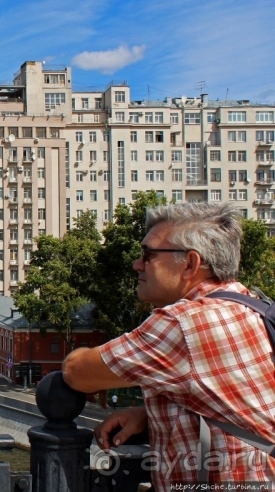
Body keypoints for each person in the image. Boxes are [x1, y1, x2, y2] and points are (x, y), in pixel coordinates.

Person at [62, 202, 275, 488]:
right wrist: (150, 416)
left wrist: (75, 354)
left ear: (190, 264)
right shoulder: (255, 307)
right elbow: (236, 404)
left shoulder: (183, 323)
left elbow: (78, 373)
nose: (137, 264)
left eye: (148, 254)